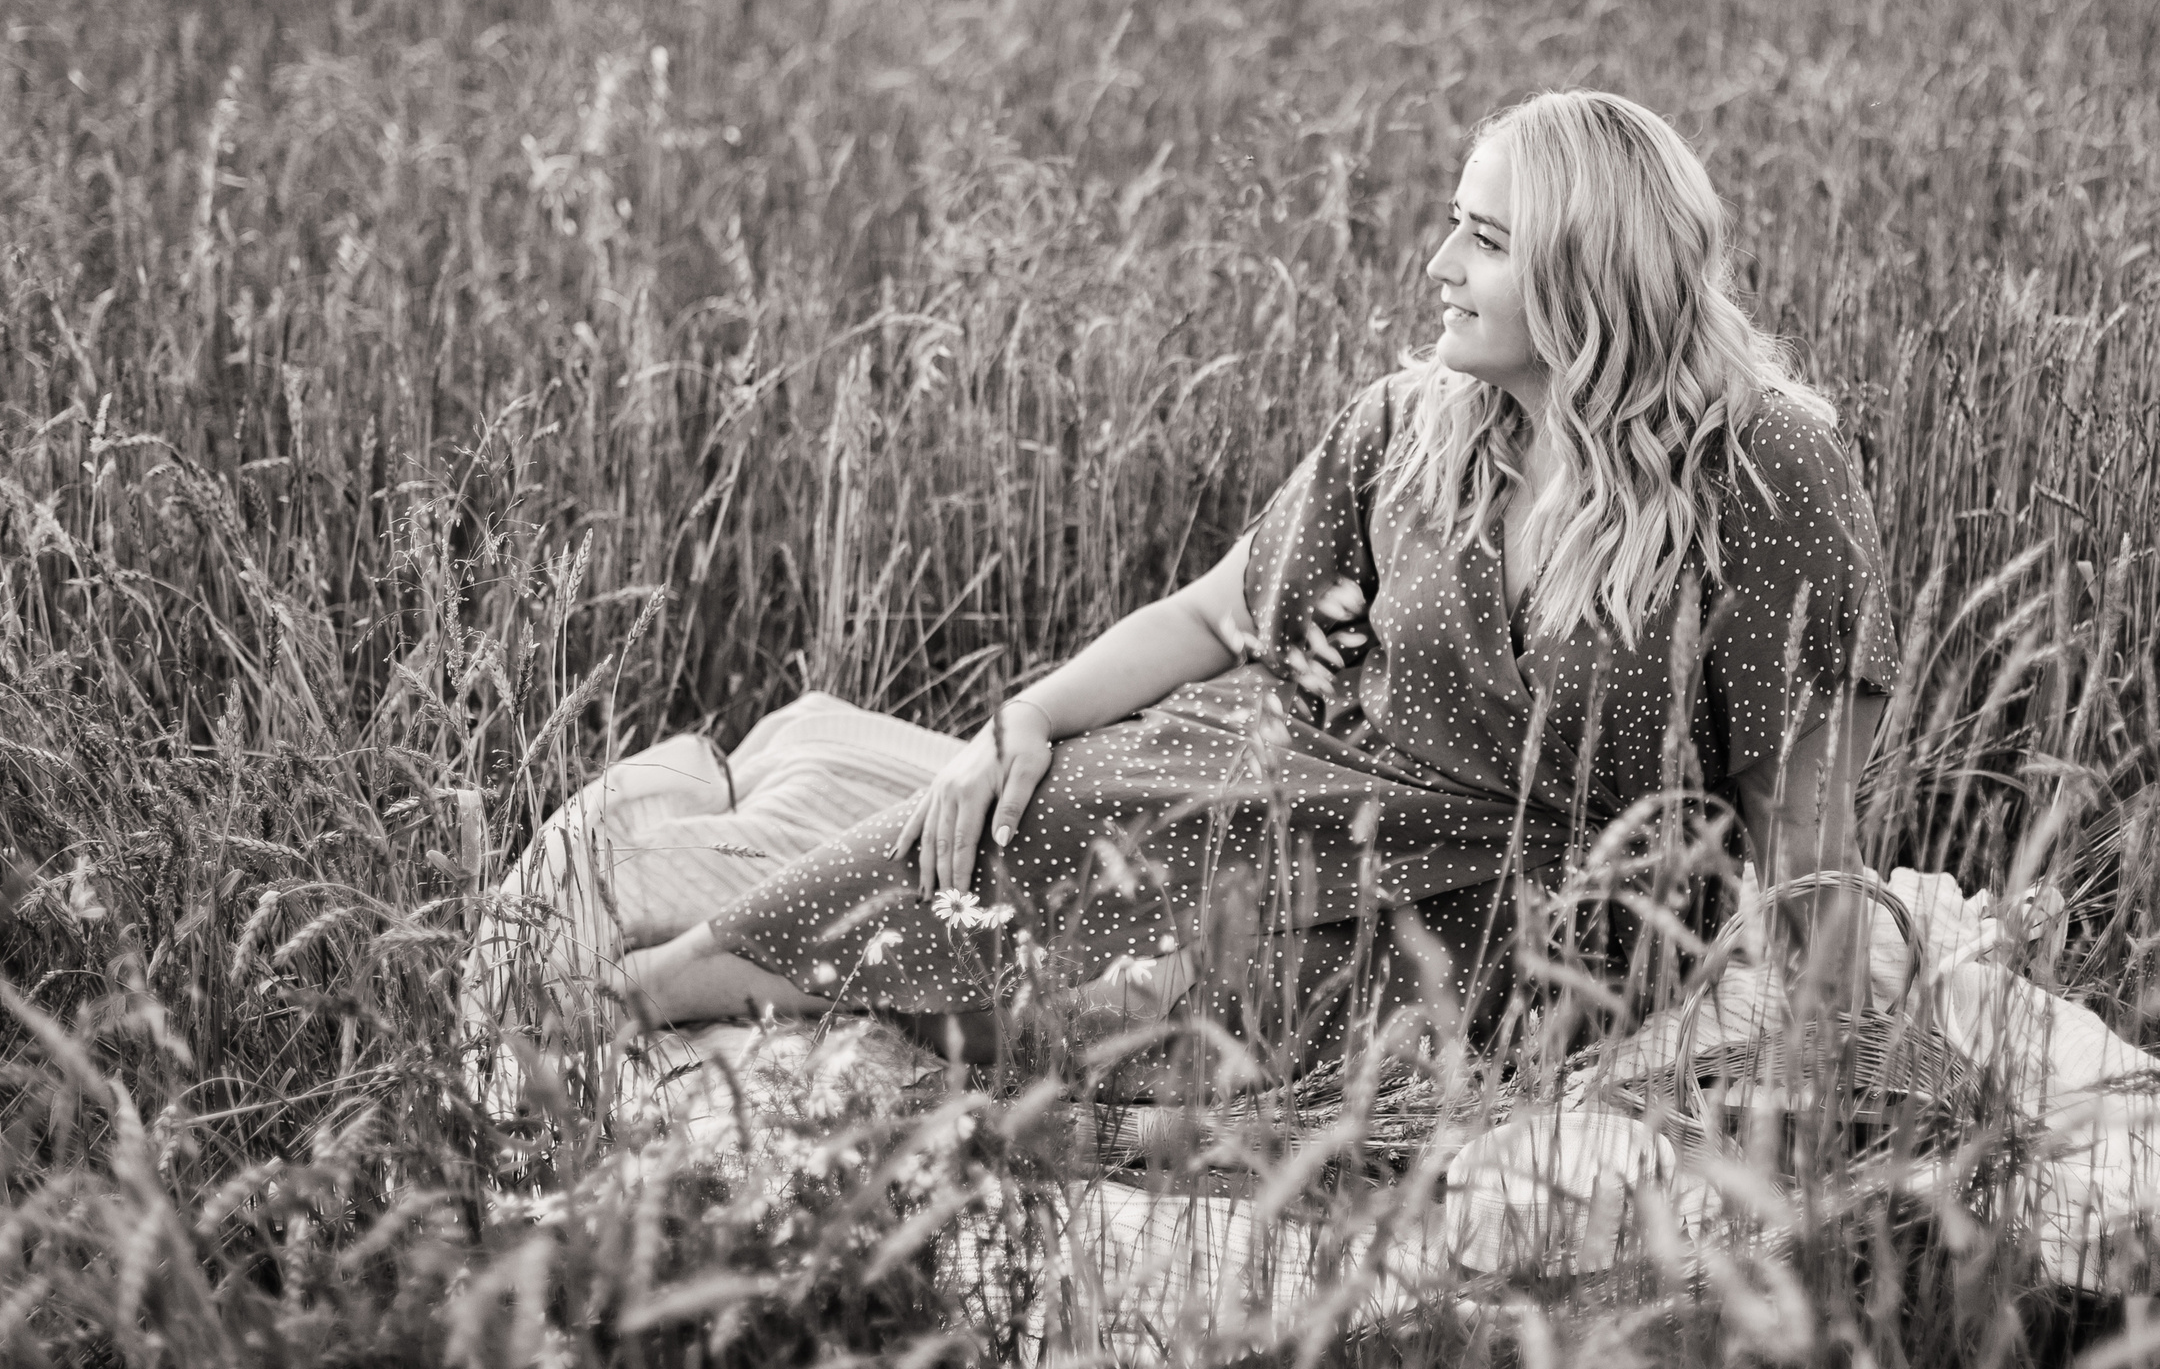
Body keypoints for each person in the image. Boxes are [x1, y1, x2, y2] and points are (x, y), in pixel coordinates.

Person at [604, 89, 1900, 1074]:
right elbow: (1215, 614)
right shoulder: (1418, 423)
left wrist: (1822, 1064)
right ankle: (661, 990)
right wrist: (1028, 723)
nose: (1440, 264)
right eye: (1454, 223)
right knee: (1026, 817)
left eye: (1486, 238)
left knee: (1137, 1033)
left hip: (1550, 923)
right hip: (1309, 789)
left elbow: (1804, 822)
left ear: (1585, 271)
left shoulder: (1765, 469)